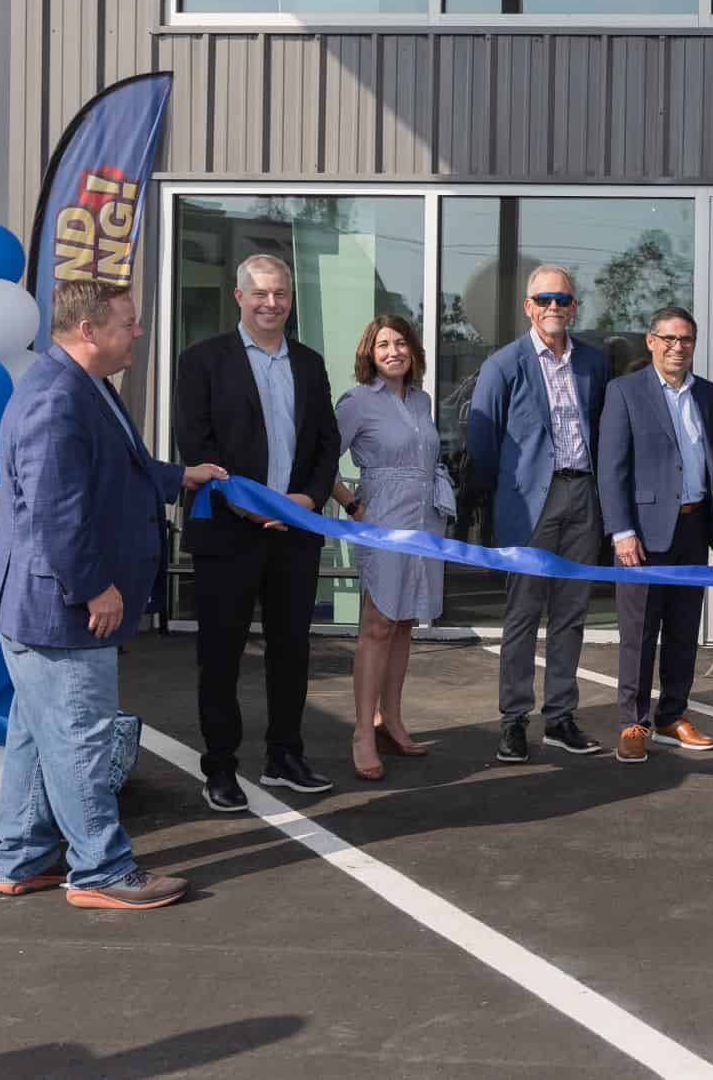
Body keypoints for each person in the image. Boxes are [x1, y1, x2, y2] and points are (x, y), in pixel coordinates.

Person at [0, 280, 226, 908]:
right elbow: (56, 513)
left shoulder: (82, 385)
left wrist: (179, 476)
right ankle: (102, 873)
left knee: (38, 735)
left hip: (42, 603)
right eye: (128, 323)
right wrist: (94, 589)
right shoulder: (58, 398)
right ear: (87, 330)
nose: (137, 332)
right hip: (59, 607)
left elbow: (117, 470)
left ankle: (23, 858)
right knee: (81, 737)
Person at [175, 254, 342, 812]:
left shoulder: (311, 363)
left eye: (282, 295)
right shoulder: (202, 361)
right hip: (228, 532)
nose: (272, 304)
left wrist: (307, 501)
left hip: (294, 533)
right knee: (221, 654)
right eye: (261, 294)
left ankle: (284, 755)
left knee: (292, 650)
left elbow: (326, 444)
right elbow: (196, 446)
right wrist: (249, 505)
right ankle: (220, 767)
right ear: (238, 297)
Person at [466, 264, 611, 762]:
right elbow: (481, 448)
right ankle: (513, 720)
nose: (554, 307)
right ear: (528, 306)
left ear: (574, 307)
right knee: (523, 614)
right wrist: (492, 512)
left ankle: (560, 717)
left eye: (563, 299)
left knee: (571, 612)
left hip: (583, 496)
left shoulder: (594, 362)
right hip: (529, 503)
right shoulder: (503, 365)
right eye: (545, 298)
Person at [596, 305, 713, 763]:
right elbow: (611, 470)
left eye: (687, 340)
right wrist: (622, 531)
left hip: (694, 526)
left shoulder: (709, 395)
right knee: (639, 632)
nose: (679, 348)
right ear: (651, 342)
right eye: (669, 339)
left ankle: (673, 714)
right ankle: (632, 722)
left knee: (682, 629)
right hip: (642, 535)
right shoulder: (625, 392)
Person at [330, 314, 447, 781]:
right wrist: (352, 505)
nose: (394, 351)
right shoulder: (357, 401)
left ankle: (391, 720)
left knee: (403, 623)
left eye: (401, 343)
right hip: (382, 520)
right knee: (377, 624)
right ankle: (361, 731)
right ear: (369, 354)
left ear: (414, 351)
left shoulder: (422, 400)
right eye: (383, 345)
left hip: (426, 520)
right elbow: (322, 459)